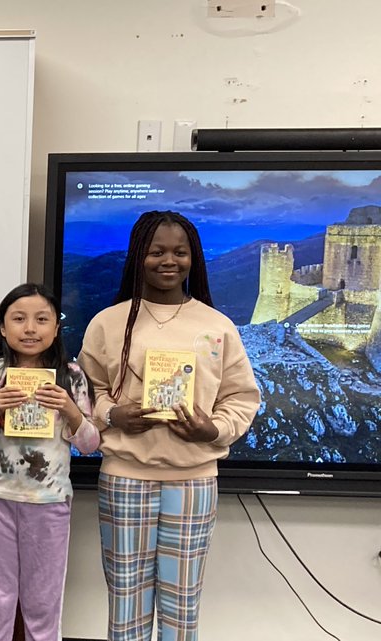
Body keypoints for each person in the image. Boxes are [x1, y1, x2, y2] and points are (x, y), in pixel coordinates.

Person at [78, 211, 261, 641]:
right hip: (125, 476)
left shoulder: (217, 326)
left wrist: (212, 429)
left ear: (193, 258)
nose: (169, 261)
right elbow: (87, 393)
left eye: (180, 252)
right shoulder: (107, 322)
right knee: (126, 600)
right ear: (138, 256)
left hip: (194, 480)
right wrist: (112, 415)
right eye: (156, 251)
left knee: (182, 602)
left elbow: (241, 397)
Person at [0, 283, 100, 641]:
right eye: (19, 319)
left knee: (43, 605)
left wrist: (70, 409)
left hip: (49, 500)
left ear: (56, 328)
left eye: (42, 320)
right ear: (2, 327)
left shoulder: (71, 377)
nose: (30, 329)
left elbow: (90, 444)